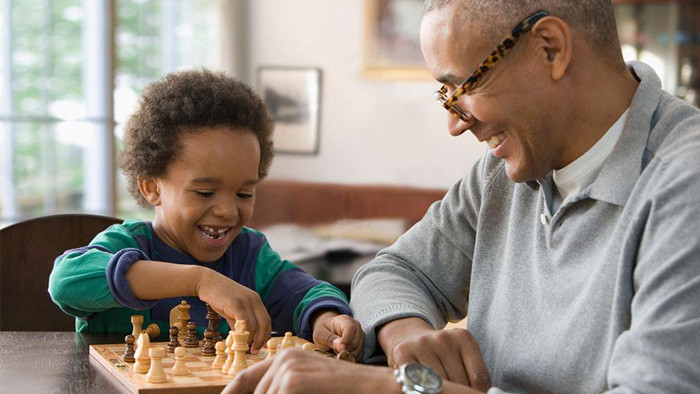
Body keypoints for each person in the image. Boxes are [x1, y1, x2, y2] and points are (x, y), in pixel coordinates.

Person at [224, 0, 700, 392]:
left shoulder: (686, 181)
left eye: (462, 86)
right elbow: (391, 272)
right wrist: (407, 333)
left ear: (550, 49)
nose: (454, 122)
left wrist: (393, 387)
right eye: (444, 94)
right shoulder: (502, 173)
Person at [48, 70, 364, 358]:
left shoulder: (250, 255)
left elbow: (307, 291)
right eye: (204, 192)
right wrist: (200, 280)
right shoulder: (127, 245)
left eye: (244, 193)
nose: (227, 210)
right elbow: (66, 282)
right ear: (151, 187)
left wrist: (326, 318)